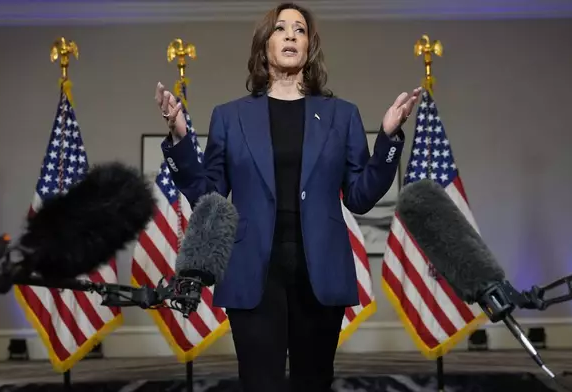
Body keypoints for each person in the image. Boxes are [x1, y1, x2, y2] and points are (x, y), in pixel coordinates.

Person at [155, 3, 421, 391]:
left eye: (300, 29)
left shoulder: (341, 115)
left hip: (320, 269)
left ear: (309, 46)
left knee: (313, 382)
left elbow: (361, 197)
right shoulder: (229, 117)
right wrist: (180, 140)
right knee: (259, 383)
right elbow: (208, 196)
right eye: (281, 29)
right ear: (265, 45)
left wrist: (388, 139)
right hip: (253, 270)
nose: (292, 35)